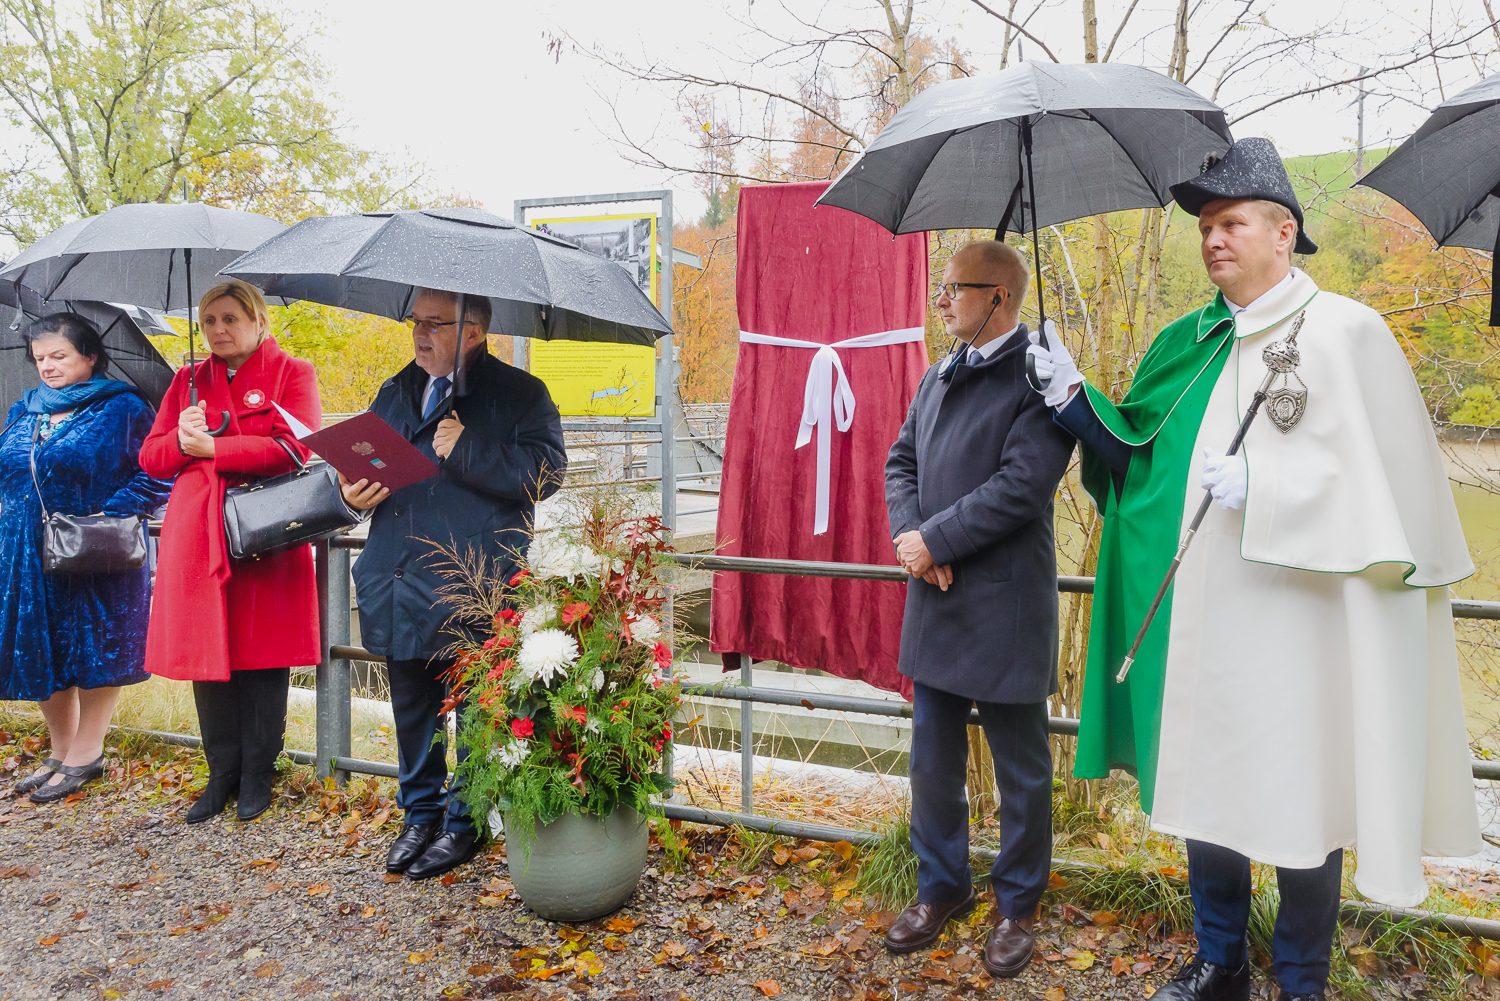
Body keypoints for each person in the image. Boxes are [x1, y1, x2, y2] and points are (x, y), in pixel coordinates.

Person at [1027, 138, 1482, 1001]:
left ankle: (1303, 981)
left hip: (1303, 624)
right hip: (1206, 626)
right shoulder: (1187, 340)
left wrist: (1267, 487)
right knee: (1210, 789)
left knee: (1305, 797)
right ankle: (1221, 962)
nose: (1213, 238)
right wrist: (1073, 399)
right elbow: (1141, 467)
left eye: (1231, 223)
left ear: (1284, 233)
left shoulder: (1347, 333)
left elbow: (1393, 496)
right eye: (1205, 225)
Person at [882, 242, 1076, 976]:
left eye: (953, 288)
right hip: (935, 596)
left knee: (1021, 770)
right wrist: (915, 539)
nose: (940, 300)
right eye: (941, 287)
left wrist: (936, 538)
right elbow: (901, 460)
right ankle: (942, 886)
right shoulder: (938, 373)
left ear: (998, 297)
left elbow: (1023, 484)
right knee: (932, 761)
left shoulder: (1041, 378)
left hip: (1005, 606)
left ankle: (1018, 905)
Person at [340, 288, 565, 881]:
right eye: (415, 321)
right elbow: (366, 464)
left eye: (434, 324)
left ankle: (464, 822)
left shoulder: (521, 394)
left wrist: (469, 447)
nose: (419, 334)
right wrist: (348, 491)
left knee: (475, 713)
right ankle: (419, 816)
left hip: (474, 582)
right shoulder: (396, 389)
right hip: (397, 574)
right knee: (413, 709)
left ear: (472, 331)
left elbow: (546, 475)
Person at [139, 280, 322, 825]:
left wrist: (216, 448)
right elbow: (151, 458)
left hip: (265, 528)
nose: (218, 331)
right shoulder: (187, 381)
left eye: (230, 319)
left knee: (263, 650)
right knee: (207, 649)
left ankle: (258, 773)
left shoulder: (293, 373)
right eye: (209, 322)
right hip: (200, 531)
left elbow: (297, 447)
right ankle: (221, 772)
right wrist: (180, 438)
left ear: (259, 321)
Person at [0, 313, 172, 803]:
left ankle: (88, 752)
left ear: (90, 356)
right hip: (25, 551)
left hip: (93, 547)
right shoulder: (25, 409)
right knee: (40, 645)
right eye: (39, 358)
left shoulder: (123, 408)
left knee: (96, 646)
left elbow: (158, 471)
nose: (47, 366)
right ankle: (61, 751)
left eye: (59, 356)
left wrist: (112, 509)